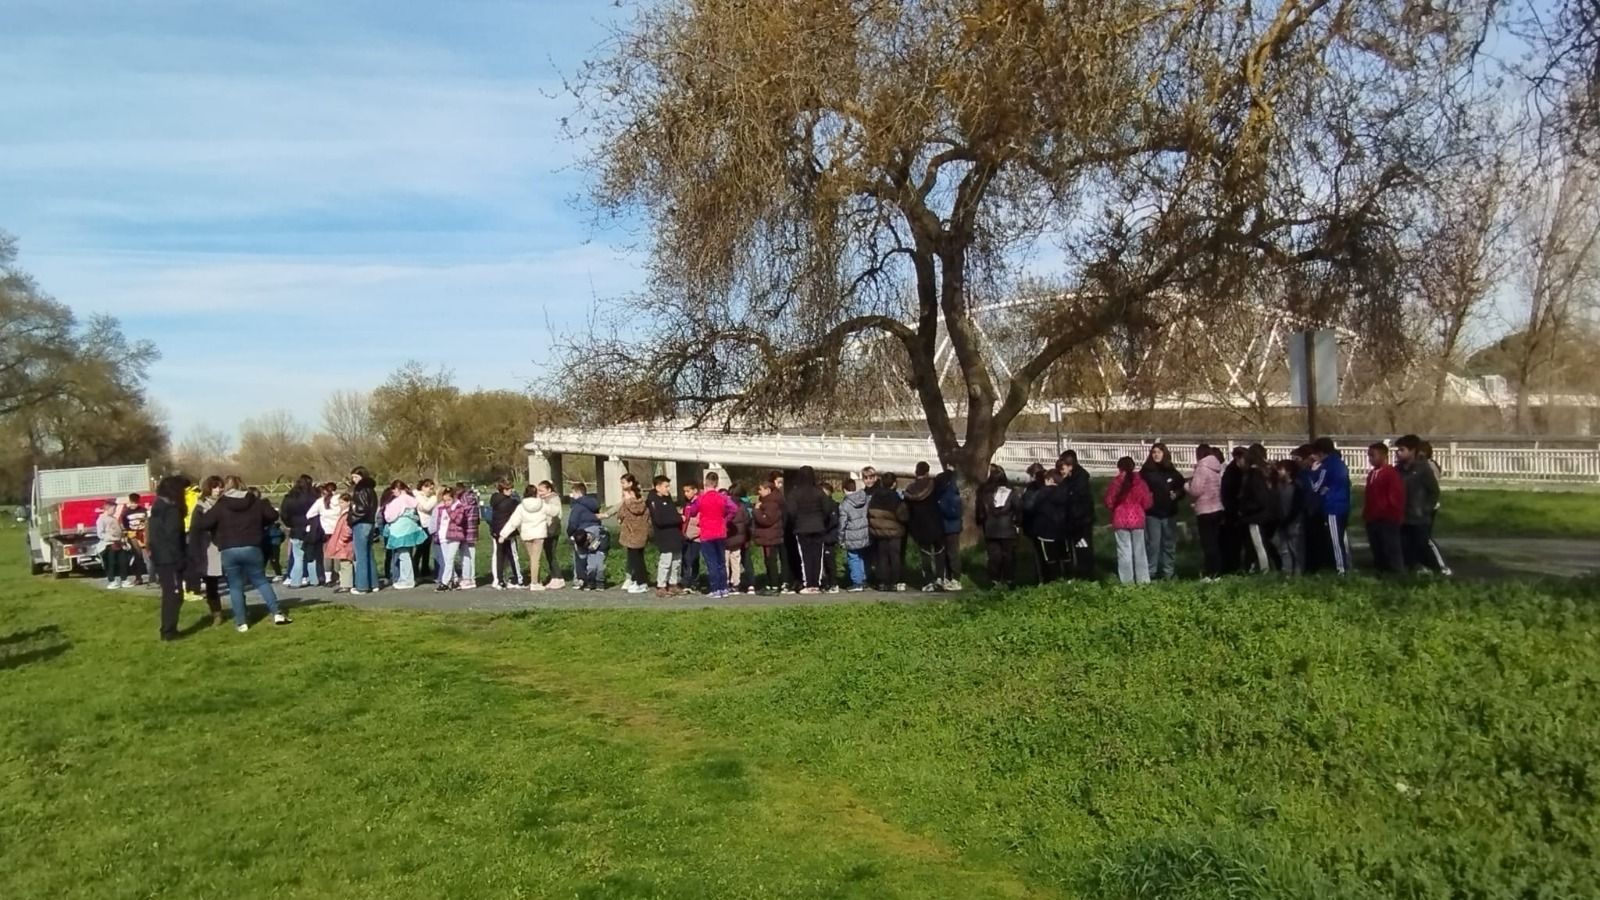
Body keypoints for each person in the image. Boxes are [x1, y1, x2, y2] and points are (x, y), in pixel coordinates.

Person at [196, 475, 291, 632]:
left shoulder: (221, 505)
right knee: (261, 581)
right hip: (252, 546)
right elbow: (273, 515)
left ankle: (242, 622)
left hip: (228, 548)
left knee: (235, 586)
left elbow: (204, 523)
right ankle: (277, 613)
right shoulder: (254, 501)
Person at [148, 475, 201, 640]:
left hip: (161, 558)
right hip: (170, 559)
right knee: (174, 595)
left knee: (170, 594)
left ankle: (168, 629)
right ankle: (168, 631)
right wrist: (180, 559)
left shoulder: (158, 506)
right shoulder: (171, 510)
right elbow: (173, 535)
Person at [1395, 434, 1448, 575]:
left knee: (1424, 543)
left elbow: (1433, 491)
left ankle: (1440, 568)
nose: (1398, 453)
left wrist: (1425, 509)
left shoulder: (1423, 469)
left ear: (1412, 451)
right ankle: (1414, 569)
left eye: (1402, 449)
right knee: (1405, 545)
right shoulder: (1397, 470)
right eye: (1397, 450)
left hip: (1419, 515)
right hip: (1403, 515)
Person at [499, 482, 563, 591]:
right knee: (535, 559)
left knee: (532, 558)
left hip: (527, 535)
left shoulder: (521, 507)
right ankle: (535, 583)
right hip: (539, 535)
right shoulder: (542, 504)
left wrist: (503, 535)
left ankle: (535, 581)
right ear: (535, 494)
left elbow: (513, 522)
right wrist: (552, 497)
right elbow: (555, 511)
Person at [683, 472, 736, 598]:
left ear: (705, 483)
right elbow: (734, 509)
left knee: (711, 561)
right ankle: (724, 588)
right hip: (720, 531)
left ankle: (715, 588)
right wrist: (725, 519)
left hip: (707, 532)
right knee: (721, 561)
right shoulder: (723, 498)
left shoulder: (702, 498)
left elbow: (693, 511)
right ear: (717, 484)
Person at [1140, 443, 1186, 580]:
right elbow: (1139, 489)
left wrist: (1177, 494)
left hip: (1169, 513)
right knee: (1153, 544)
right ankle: (1151, 572)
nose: (1156, 455)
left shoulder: (1172, 471)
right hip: (1152, 513)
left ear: (1164, 454)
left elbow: (1182, 489)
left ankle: (1168, 572)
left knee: (1169, 543)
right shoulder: (1146, 472)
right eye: (1154, 452)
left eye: (1159, 452)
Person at [1105, 456, 1153, 585]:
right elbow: (1147, 502)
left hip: (1120, 518)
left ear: (1119, 468)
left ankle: (1127, 581)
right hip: (1137, 519)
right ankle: (1143, 580)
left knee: (1124, 551)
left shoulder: (1115, 483)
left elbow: (1109, 501)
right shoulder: (1140, 483)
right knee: (1140, 550)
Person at [1308, 437, 1353, 574]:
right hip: (1343, 504)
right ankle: (1346, 565)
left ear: (1320, 453)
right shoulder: (1340, 463)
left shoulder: (1326, 466)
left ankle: (1341, 569)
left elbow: (1316, 487)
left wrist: (1312, 472)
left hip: (1332, 506)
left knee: (1335, 540)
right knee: (1341, 537)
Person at [783, 466, 830, 593]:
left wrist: (797, 522)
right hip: (818, 526)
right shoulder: (819, 492)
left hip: (802, 527)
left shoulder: (794, 493)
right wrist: (821, 520)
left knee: (805, 557)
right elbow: (827, 509)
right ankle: (817, 583)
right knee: (818, 556)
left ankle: (808, 584)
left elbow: (791, 512)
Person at [1364, 442, 1406, 574]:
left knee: (1390, 547)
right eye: (1369, 456)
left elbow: (1396, 496)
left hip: (1387, 517)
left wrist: (1392, 513)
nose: (1370, 459)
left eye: (1373, 455)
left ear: (1383, 456)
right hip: (1373, 517)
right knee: (1377, 547)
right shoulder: (1372, 474)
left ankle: (1396, 572)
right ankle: (1381, 570)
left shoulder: (1390, 474)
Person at [903, 462, 946, 592]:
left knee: (925, 554)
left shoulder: (910, 489)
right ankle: (940, 578)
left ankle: (928, 581)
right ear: (927, 472)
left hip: (919, 526)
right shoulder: (934, 486)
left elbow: (907, 511)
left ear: (916, 472)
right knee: (939, 551)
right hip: (935, 523)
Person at [974, 464, 1018, 588]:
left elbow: (980, 511)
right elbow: (1018, 508)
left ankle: (994, 580)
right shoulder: (1011, 491)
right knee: (1008, 556)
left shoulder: (984, 492)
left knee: (994, 556)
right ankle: (1009, 580)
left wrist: (981, 522)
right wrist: (1017, 522)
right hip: (1008, 528)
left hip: (990, 529)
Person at [184, 476, 224, 607]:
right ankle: (216, 612)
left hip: (227, 545)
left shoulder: (226, 503)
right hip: (209, 547)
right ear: (209, 488)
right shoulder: (201, 506)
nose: (218, 490)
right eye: (215, 487)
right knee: (211, 582)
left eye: (220, 486)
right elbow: (196, 529)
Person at [866, 472, 910, 590]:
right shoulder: (895, 498)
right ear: (894, 483)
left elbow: (870, 512)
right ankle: (894, 582)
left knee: (882, 556)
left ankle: (882, 582)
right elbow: (903, 516)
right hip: (895, 532)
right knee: (895, 556)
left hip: (879, 531)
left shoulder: (875, 496)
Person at [1237, 445, 1276, 573]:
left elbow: (1259, 498)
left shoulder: (1254, 475)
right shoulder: (1263, 472)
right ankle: (1261, 567)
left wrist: (1245, 509)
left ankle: (1265, 570)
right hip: (1263, 514)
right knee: (1261, 544)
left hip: (1256, 516)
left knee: (1259, 545)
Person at [1057, 452, 1096, 580]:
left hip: (1081, 522)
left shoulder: (1080, 480)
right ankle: (1078, 573)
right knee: (1076, 550)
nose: (1061, 471)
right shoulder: (1070, 480)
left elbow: (1078, 502)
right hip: (1073, 521)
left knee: (1083, 548)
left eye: (1063, 467)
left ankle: (1086, 576)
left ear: (1070, 466)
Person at [1190, 444, 1225, 579]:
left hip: (1204, 510)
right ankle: (1217, 572)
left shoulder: (1201, 468)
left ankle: (1210, 572)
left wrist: (1187, 485)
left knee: (1207, 543)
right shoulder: (1216, 468)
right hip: (1217, 507)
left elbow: (1196, 490)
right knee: (1215, 542)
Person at [383, 482, 425, 590]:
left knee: (403, 555)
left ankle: (407, 580)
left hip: (400, 530)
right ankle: (405, 577)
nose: (393, 492)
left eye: (394, 490)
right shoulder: (410, 498)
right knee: (406, 554)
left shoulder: (398, 501)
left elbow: (390, 517)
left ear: (398, 489)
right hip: (410, 528)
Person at [647, 475, 684, 595]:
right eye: (666, 486)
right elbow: (659, 520)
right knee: (666, 561)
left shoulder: (668, 499)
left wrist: (677, 517)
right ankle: (661, 585)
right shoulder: (653, 500)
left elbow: (673, 513)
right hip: (664, 535)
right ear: (658, 487)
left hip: (675, 534)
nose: (668, 489)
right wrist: (678, 519)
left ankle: (673, 583)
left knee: (676, 561)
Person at [279, 475, 319, 589]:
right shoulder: (314, 498)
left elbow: (284, 514)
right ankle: (314, 579)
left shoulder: (289, 498)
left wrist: (290, 524)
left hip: (296, 528)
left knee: (298, 556)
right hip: (311, 528)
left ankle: (296, 581)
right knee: (312, 555)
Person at [348, 466, 381, 594]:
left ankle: (362, 586)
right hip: (370, 523)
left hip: (361, 523)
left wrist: (351, 519)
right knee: (369, 554)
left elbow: (362, 509)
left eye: (356, 477)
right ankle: (374, 583)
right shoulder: (371, 490)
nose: (354, 480)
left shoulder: (361, 490)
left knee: (361, 556)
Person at [567, 481, 605, 590]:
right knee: (595, 555)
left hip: (581, 533)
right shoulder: (594, 504)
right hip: (596, 531)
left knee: (580, 557)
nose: (572, 496)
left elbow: (573, 523)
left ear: (578, 493)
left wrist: (570, 534)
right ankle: (597, 581)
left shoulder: (577, 507)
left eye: (573, 493)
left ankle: (581, 579)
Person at [1271, 459, 1307, 575]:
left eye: (1281, 469)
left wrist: (1288, 520)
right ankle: (1287, 572)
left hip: (1294, 523)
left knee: (1296, 549)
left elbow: (1297, 507)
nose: (1278, 472)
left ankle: (1298, 573)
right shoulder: (1279, 486)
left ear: (1289, 471)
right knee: (1284, 550)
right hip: (1283, 522)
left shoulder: (1296, 487)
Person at [488, 480, 524, 590]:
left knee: (499, 556)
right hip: (508, 532)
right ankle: (518, 579)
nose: (511, 491)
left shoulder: (494, 499)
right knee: (513, 555)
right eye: (509, 489)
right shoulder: (510, 502)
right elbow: (518, 509)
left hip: (496, 531)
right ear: (503, 490)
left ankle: (499, 580)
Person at [837, 477, 872, 591]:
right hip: (865, 533)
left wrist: (840, 539)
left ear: (844, 490)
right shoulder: (865, 498)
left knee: (853, 558)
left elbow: (842, 523)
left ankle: (857, 582)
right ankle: (864, 578)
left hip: (852, 535)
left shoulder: (844, 505)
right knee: (863, 556)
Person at [446, 482, 482, 589]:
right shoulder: (472, 498)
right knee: (471, 554)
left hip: (466, 529)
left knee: (466, 555)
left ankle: (469, 578)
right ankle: (471, 578)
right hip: (473, 528)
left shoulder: (463, 501)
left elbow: (460, 516)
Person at [753, 480, 787, 594]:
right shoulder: (766, 502)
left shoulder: (772, 503)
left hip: (771, 536)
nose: (759, 492)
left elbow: (767, 520)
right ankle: (770, 583)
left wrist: (757, 511)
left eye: (760, 489)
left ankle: (774, 585)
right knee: (768, 561)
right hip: (768, 536)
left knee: (771, 561)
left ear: (767, 490)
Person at [617, 483, 652, 594]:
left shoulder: (626, 505)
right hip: (642, 535)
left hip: (631, 535)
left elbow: (620, 516)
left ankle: (640, 582)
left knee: (634, 560)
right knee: (639, 559)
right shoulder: (644, 503)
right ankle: (641, 581)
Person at [306, 482, 341, 585]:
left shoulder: (320, 501)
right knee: (338, 554)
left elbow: (309, 514)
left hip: (326, 532)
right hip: (338, 531)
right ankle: (340, 576)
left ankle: (328, 578)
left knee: (327, 555)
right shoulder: (339, 500)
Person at [1220, 446, 1247, 574]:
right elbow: (1229, 493)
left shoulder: (1233, 471)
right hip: (1233, 511)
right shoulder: (1233, 472)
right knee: (1233, 542)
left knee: (1236, 542)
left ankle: (1234, 566)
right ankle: (1233, 567)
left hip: (1234, 510)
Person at [935, 470, 964, 590]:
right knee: (943, 554)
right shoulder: (942, 492)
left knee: (952, 554)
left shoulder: (951, 493)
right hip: (943, 526)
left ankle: (955, 579)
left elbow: (954, 512)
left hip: (951, 527)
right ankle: (945, 577)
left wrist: (941, 506)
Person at [726, 483, 756, 595]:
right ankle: (750, 584)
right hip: (744, 536)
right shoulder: (746, 505)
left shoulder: (729, 505)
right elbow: (749, 521)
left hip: (730, 537)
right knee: (745, 561)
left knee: (731, 561)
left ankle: (730, 583)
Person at [96, 499, 130, 589]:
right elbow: (100, 534)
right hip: (109, 544)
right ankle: (112, 580)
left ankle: (124, 579)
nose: (115, 511)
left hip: (119, 543)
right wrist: (112, 539)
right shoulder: (101, 519)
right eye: (113, 509)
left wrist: (122, 538)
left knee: (123, 562)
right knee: (111, 563)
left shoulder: (114, 518)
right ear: (108, 508)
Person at [327, 492, 356, 593]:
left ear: (348, 502)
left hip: (345, 543)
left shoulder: (347, 514)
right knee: (344, 563)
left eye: (342, 502)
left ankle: (346, 584)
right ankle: (346, 583)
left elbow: (348, 529)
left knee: (345, 564)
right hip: (344, 542)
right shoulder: (345, 513)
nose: (340, 505)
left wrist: (342, 539)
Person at [120, 493, 151, 586]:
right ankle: (138, 577)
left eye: (136, 503)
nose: (134, 505)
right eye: (132, 503)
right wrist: (128, 533)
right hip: (133, 535)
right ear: (129, 502)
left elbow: (147, 521)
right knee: (137, 557)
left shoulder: (143, 510)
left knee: (148, 557)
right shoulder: (126, 513)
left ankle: (152, 577)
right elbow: (125, 524)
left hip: (144, 534)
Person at [414, 479, 439, 583]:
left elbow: (426, 507)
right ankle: (415, 569)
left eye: (432, 488)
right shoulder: (418, 496)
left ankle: (425, 569)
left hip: (429, 525)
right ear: (422, 487)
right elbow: (425, 507)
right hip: (421, 524)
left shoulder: (430, 498)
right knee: (420, 548)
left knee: (426, 549)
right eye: (428, 487)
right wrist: (434, 497)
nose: (430, 490)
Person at [681, 482, 703, 592]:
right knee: (686, 558)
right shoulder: (687, 503)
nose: (686, 494)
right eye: (684, 491)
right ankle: (686, 581)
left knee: (694, 559)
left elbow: (697, 516)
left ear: (695, 491)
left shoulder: (699, 502)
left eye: (688, 491)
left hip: (696, 535)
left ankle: (694, 580)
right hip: (687, 534)